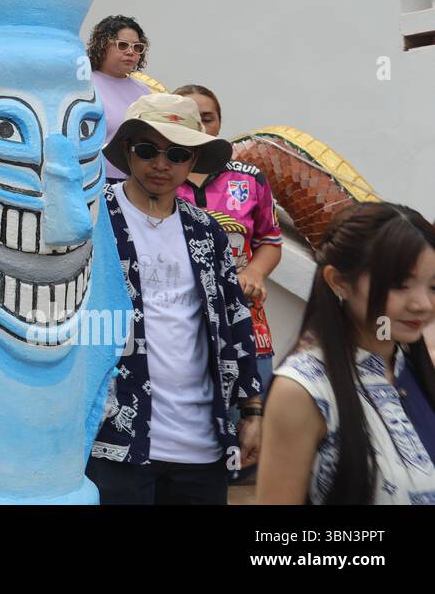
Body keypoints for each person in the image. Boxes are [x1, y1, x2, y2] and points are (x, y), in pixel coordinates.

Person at [88, 93, 263, 504]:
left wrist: (252, 411)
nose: (162, 164)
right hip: (114, 437)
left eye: (178, 153)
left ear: (193, 159)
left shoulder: (207, 230)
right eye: (148, 150)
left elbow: (236, 321)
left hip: (201, 445)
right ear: (128, 151)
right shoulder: (92, 218)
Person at [258, 203, 435, 505]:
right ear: (339, 281)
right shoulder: (302, 390)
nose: (422, 304)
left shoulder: (415, 370)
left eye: (433, 286)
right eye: (400, 285)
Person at [173, 84, 282, 421]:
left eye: (208, 118)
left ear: (220, 122)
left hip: (247, 326)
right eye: (191, 119)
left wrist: (254, 272)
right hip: (179, 327)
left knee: (250, 435)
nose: (201, 127)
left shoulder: (249, 179)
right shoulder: (157, 178)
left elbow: (271, 240)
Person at [87, 14, 152, 183]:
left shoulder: (143, 90)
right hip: (95, 180)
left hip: (137, 182)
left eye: (137, 47)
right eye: (122, 45)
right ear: (102, 46)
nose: (130, 52)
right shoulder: (84, 85)